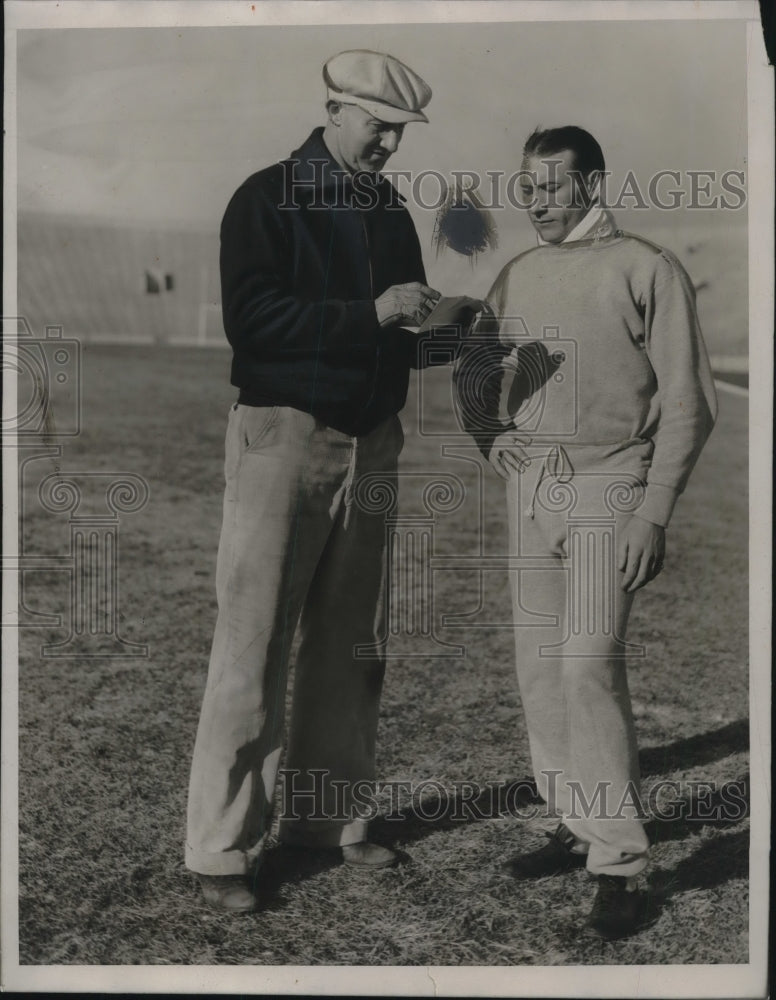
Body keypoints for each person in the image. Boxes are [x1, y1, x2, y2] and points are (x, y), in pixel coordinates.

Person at [186, 49, 476, 912]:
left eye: (400, 130)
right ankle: (219, 849)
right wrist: (371, 313)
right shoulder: (264, 197)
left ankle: (325, 821)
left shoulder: (389, 211)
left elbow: (393, 337)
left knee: (353, 642)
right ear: (333, 109)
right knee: (254, 639)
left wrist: (449, 333)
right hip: (285, 436)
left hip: (371, 442)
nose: (390, 143)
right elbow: (254, 324)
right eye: (379, 125)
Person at [454, 126, 717, 939]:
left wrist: (654, 509)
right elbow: (473, 360)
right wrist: (486, 431)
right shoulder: (519, 272)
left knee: (587, 668)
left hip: (612, 488)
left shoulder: (646, 267)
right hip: (532, 488)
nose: (535, 200)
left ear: (592, 184)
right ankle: (574, 821)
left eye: (552, 186)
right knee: (540, 671)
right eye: (526, 187)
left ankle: (622, 866)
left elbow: (689, 403)